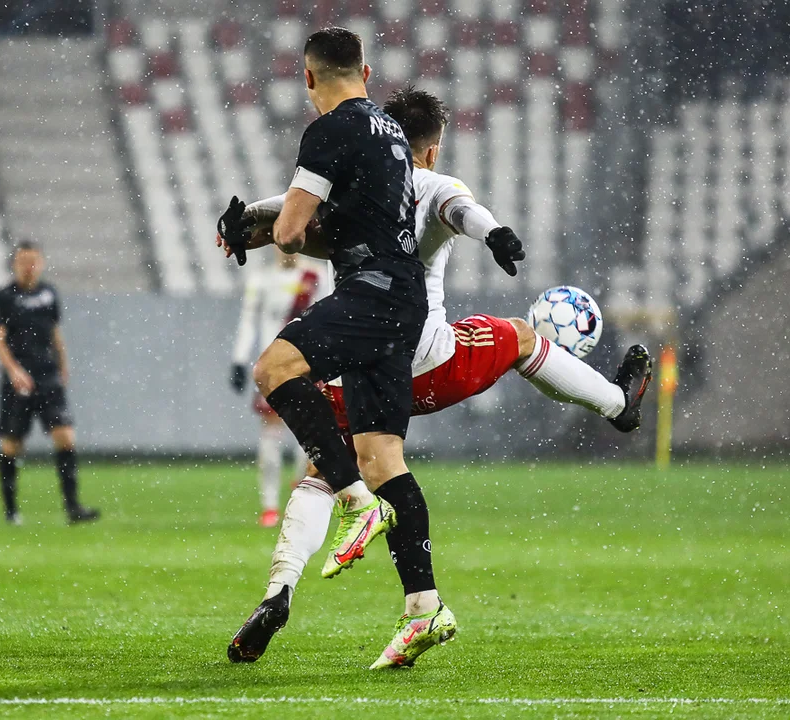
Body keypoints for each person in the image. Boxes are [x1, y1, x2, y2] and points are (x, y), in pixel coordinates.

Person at [226, 86, 651, 668]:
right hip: (428, 359)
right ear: (428, 150)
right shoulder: (426, 180)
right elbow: (458, 208)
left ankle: (280, 591)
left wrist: (245, 216)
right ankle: (617, 403)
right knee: (522, 338)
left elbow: (284, 206)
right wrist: (494, 231)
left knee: (324, 471)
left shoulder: (349, 182)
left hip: (359, 357)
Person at [218, 29, 509, 668]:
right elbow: (347, 230)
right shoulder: (394, 139)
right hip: (405, 300)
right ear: (367, 72)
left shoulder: (327, 132)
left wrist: (260, 230)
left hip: (373, 293)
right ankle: (425, 606)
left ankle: (353, 504)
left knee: (274, 369)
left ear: (308, 78)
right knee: (383, 456)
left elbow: (295, 231)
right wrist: (269, 231)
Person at [0, 240, 99, 526]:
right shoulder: (2, 297)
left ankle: (73, 507)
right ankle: (11, 511)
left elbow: (55, 332)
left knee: (65, 436)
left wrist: (63, 363)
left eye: (34, 260)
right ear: (15, 264)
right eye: (24, 261)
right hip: (19, 380)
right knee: (12, 445)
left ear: (42, 263)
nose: (29, 266)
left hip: (48, 375)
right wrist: (13, 370)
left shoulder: (49, 294)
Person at [230, 248, 320, 527]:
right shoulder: (261, 279)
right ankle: (269, 505)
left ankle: (299, 491)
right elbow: (249, 321)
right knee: (271, 434)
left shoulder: (314, 275)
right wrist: (239, 359)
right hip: (272, 366)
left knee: (305, 435)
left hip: (305, 364)